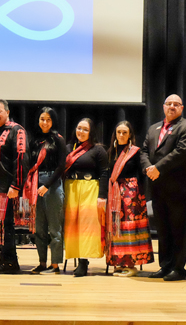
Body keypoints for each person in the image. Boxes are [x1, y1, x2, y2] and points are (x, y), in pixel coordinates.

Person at [139, 94, 186, 281]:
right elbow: (143, 151)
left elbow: (181, 153)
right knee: (163, 229)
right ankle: (165, 265)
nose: (172, 106)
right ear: (163, 107)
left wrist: (158, 168)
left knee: (178, 229)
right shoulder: (153, 128)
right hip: (156, 187)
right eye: (169, 104)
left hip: (178, 188)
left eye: (176, 104)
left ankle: (179, 268)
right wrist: (148, 168)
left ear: (182, 108)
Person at [0, 99, 28, 274]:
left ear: (7, 112)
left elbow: (21, 158)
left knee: (6, 226)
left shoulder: (17, 130)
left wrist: (16, 185)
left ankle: (9, 262)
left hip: (6, 188)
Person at [105, 121, 154, 277]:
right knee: (116, 228)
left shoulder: (135, 152)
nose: (121, 135)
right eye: (119, 132)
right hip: (114, 194)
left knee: (130, 229)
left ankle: (131, 264)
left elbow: (142, 176)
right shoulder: (111, 152)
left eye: (124, 132)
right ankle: (118, 262)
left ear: (130, 135)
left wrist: (137, 196)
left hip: (131, 196)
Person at [63, 118, 109, 277]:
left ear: (91, 133)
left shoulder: (98, 150)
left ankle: (83, 262)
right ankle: (75, 255)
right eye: (79, 128)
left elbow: (104, 173)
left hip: (90, 189)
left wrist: (102, 196)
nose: (80, 132)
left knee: (86, 227)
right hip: (71, 189)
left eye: (85, 129)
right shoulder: (68, 148)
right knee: (72, 226)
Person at [26, 107, 67, 275]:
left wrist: (47, 185)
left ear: (53, 121)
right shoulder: (34, 140)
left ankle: (55, 265)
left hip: (52, 185)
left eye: (48, 119)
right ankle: (42, 263)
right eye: (42, 119)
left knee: (54, 229)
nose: (45, 122)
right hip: (35, 184)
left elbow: (61, 166)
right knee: (39, 229)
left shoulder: (58, 140)